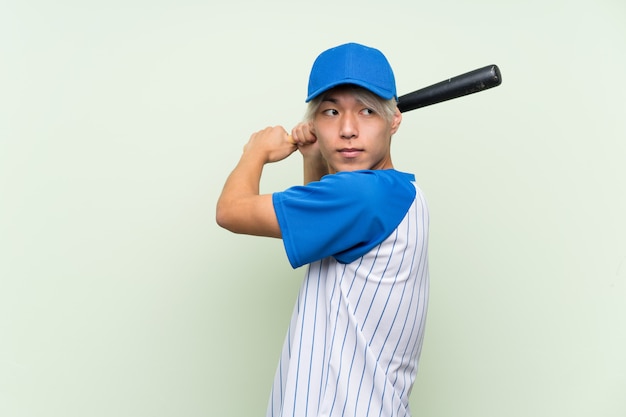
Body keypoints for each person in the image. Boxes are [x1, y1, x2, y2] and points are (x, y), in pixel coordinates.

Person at [216, 42, 430, 417]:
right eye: (331, 112)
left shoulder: (362, 196)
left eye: (367, 111)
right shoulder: (399, 193)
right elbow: (325, 240)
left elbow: (230, 211)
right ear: (315, 124)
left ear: (394, 119)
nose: (348, 129)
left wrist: (256, 151)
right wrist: (314, 158)